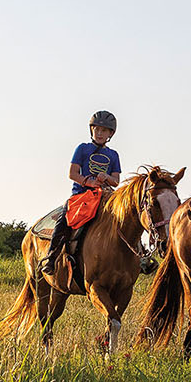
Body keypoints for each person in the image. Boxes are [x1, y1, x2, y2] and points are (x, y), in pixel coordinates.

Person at [42, 111, 121, 284]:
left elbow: (116, 181)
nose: (99, 133)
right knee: (64, 221)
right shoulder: (82, 148)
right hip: (81, 196)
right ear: (91, 130)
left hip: (105, 197)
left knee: (126, 218)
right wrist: (88, 181)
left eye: (104, 131)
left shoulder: (113, 155)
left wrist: (106, 177)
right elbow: (72, 173)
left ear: (110, 134)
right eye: (97, 129)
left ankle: (141, 256)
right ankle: (51, 257)